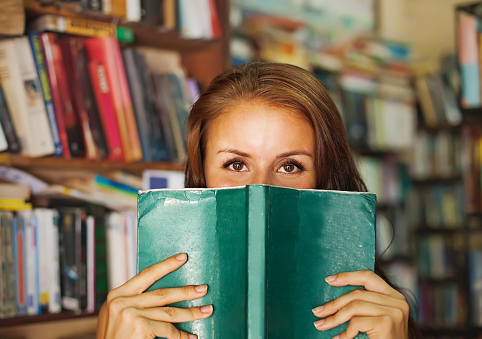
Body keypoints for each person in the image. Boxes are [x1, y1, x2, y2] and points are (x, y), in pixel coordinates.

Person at [97, 62, 422, 339]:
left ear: (326, 179)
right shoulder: (132, 318)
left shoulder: (383, 320)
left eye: (290, 166)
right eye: (236, 164)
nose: (260, 189)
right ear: (201, 177)